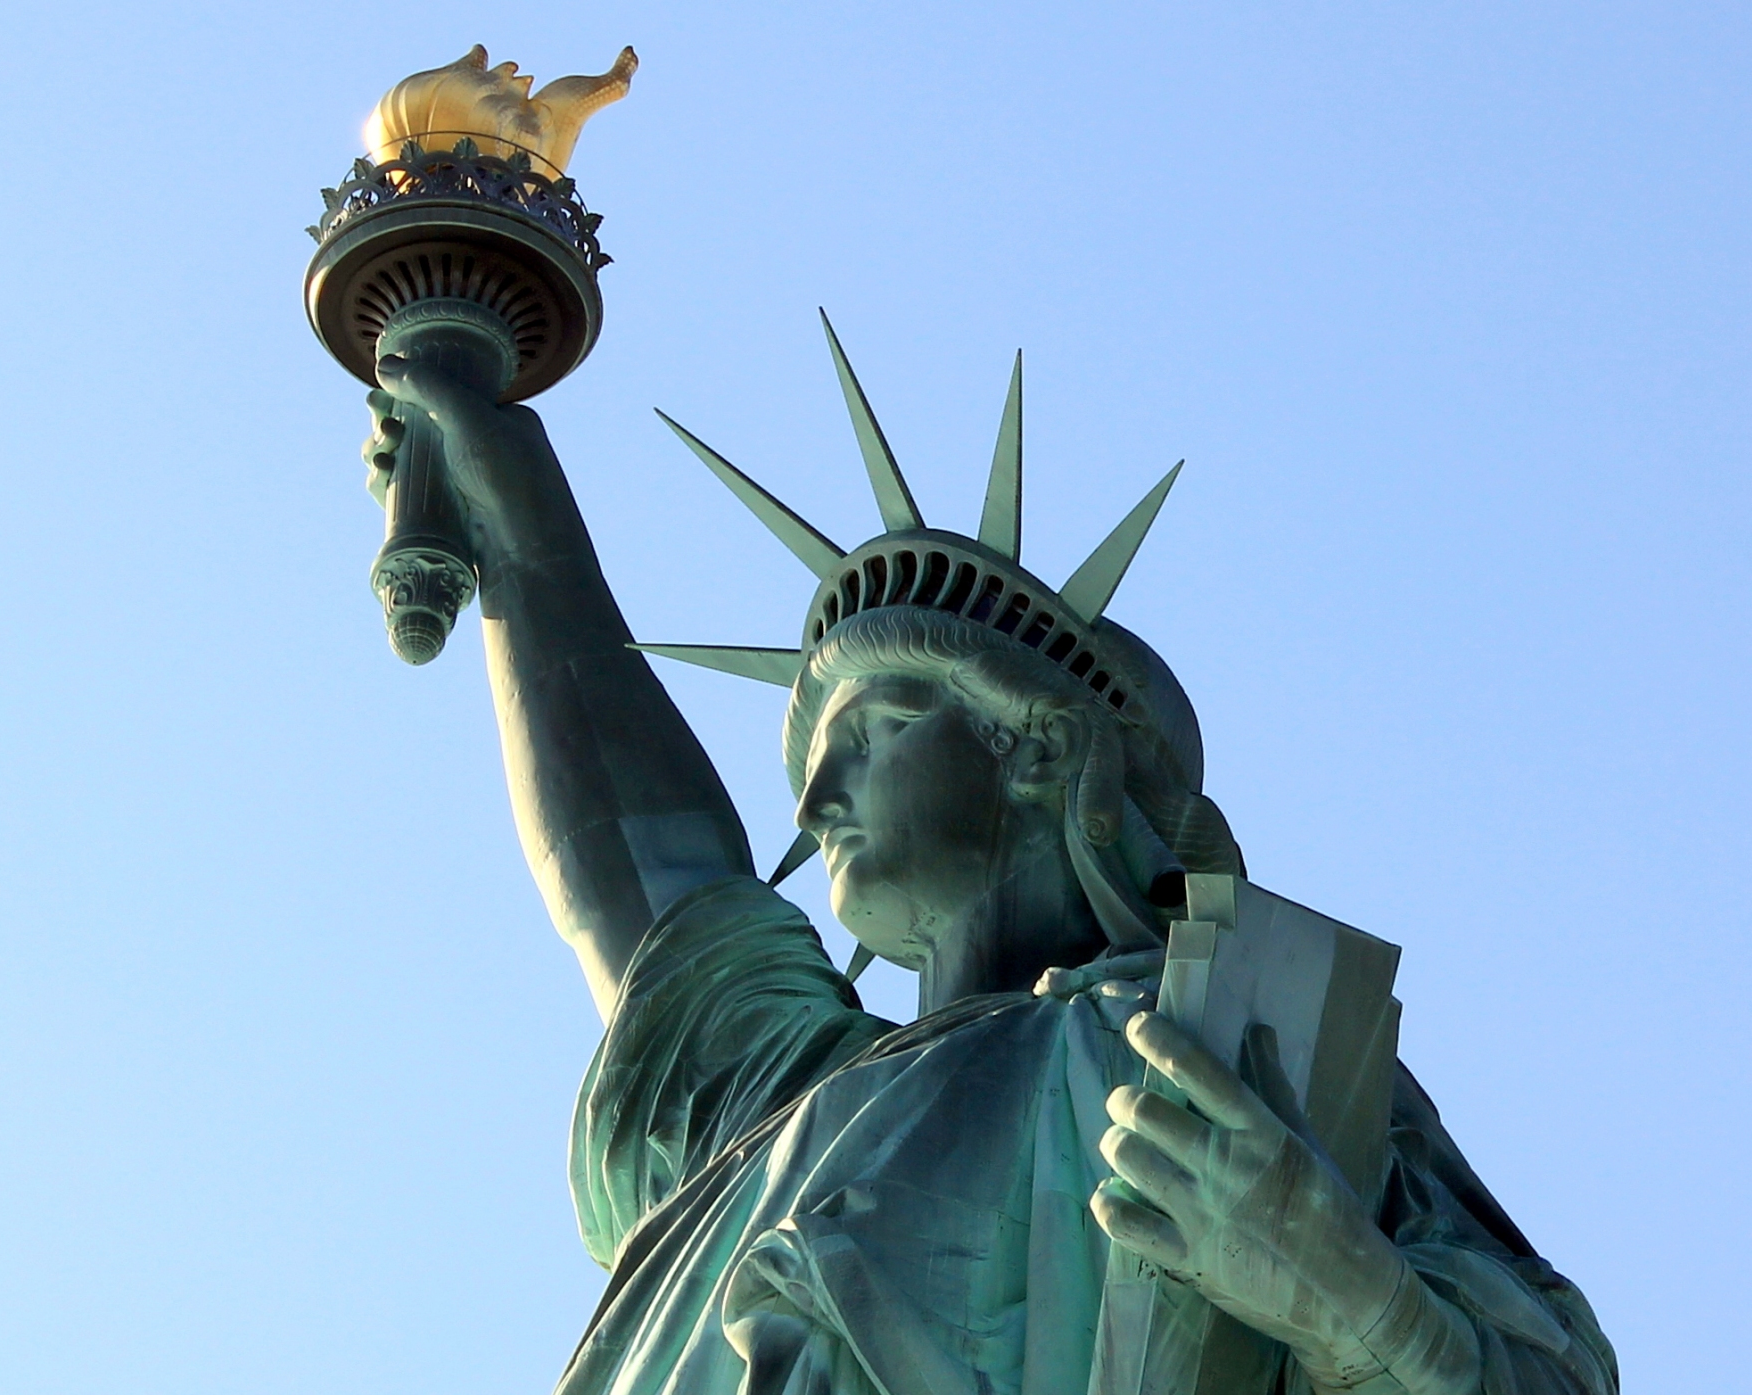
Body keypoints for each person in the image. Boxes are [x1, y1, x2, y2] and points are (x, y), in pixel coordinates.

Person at [363, 341, 1619, 1395]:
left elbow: (1553, 1374)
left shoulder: (1234, 1059)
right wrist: (512, 521)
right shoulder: (786, 1100)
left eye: (877, 728)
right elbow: (646, 879)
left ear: (1042, 749)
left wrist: (1360, 1302)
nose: (815, 796)